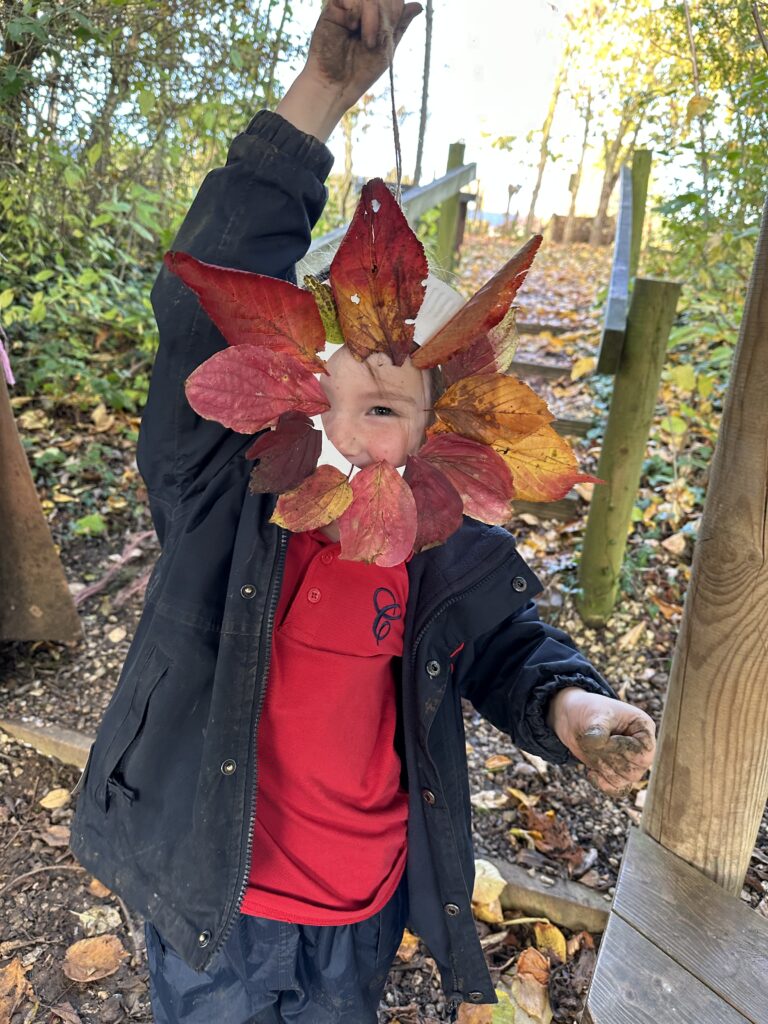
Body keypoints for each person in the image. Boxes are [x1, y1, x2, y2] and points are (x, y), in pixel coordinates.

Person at [69, 2, 656, 1021]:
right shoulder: (223, 492)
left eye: (381, 408)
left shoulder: (440, 540)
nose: (340, 428)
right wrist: (322, 96)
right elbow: (201, 307)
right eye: (314, 391)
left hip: (360, 908)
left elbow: (502, 645)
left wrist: (572, 707)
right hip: (219, 899)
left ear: (437, 434)